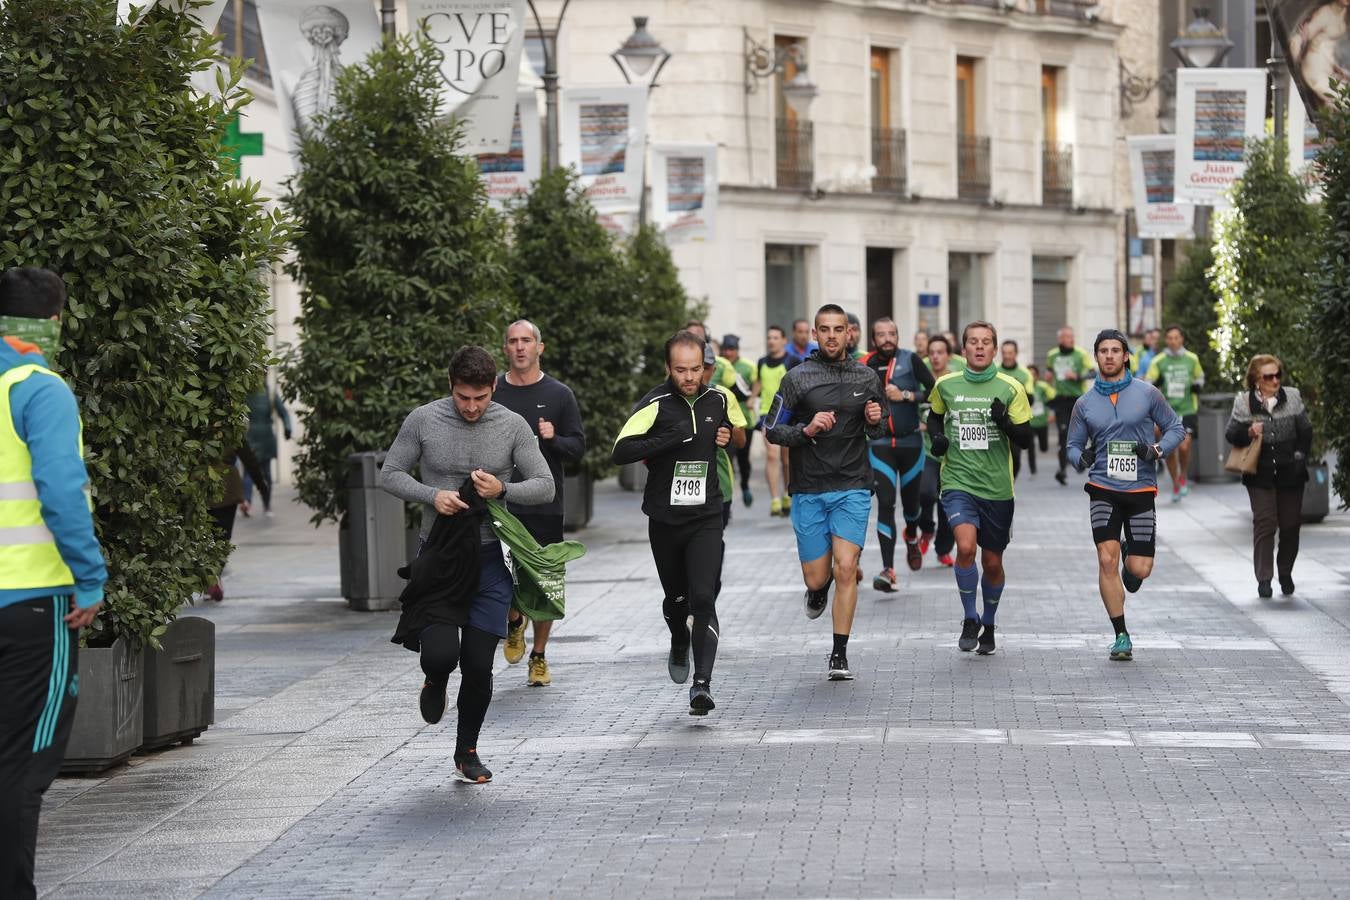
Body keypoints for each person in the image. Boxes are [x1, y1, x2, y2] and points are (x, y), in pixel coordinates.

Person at [382, 346, 555, 785]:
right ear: (450, 387)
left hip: (489, 560)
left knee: (479, 665)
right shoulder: (423, 419)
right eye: (463, 397)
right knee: (440, 654)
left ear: (494, 387)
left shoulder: (512, 425)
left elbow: (545, 486)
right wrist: (432, 495)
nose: (472, 407)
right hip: (439, 558)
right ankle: (435, 680)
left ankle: (467, 751)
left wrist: (502, 489)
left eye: (480, 397)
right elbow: (390, 473)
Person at [0, 267, 107, 900]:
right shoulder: (39, 388)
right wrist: (89, 579)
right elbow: (63, 491)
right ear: (51, 322)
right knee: (22, 765)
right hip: (36, 606)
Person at [612, 331, 732, 715]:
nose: (690, 377)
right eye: (681, 370)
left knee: (703, 597)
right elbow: (620, 450)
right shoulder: (655, 402)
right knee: (677, 600)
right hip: (665, 519)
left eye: (696, 369)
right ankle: (678, 638)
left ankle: (702, 685)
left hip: (706, 515)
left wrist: (729, 437)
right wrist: (666, 439)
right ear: (668, 368)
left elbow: (734, 435)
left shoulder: (717, 399)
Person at [765, 305, 884, 680]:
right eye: (824, 330)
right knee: (818, 577)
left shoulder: (867, 377)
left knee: (846, 567)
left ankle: (839, 654)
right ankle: (818, 590)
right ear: (814, 334)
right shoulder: (796, 378)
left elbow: (878, 431)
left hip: (853, 486)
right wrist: (807, 429)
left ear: (850, 333)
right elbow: (771, 429)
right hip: (810, 488)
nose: (832, 336)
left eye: (839, 329)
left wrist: (875, 422)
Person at [1067, 329, 1186, 662]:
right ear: (1096, 356)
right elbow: (1072, 445)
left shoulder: (1147, 394)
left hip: (1140, 488)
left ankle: (1131, 554)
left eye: (1115, 350)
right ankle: (1120, 634)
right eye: (1103, 350)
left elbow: (1177, 427)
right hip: (1103, 487)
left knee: (1139, 570)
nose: (1109, 356)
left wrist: (1156, 449)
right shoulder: (1084, 403)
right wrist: (1081, 459)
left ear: (1126, 356)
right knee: (1106, 559)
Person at [927, 321, 1033, 656]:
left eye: (986, 342)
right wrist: (939, 438)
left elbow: (1027, 440)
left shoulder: (1010, 387)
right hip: (958, 480)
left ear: (995, 348)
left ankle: (989, 621)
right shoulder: (946, 384)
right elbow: (933, 416)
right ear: (964, 347)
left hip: (998, 487)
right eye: (973, 341)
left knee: (992, 562)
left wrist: (1004, 423)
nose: (979, 347)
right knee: (966, 547)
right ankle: (969, 617)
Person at [493, 320, 585, 687]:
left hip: (547, 502)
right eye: (513, 341)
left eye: (526, 341)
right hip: (502, 503)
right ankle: (515, 621)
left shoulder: (560, 394)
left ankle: (540, 655)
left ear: (539, 348)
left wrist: (554, 438)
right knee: (504, 574)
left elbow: (578, 448)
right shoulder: (493, 392)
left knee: (547, 580)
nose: (520, 347)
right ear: (505, 349)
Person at [1224, 354, 1313, 599]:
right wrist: (1248, 431)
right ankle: (1264, 578)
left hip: (1290, 472)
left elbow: (1305, 431)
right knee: (1264, 523)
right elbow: (1231, 434)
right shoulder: (1244, 403)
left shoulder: (1292, 397)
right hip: (1259, 474)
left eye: (1277, 375)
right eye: (1268, 376)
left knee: (1291, 525)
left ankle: (1285, 572)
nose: (1275, 381)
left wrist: (1299, 454)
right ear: (1256, 380)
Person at [862, 317, 935, 591]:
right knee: (886, 504)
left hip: (910, 444)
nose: (887, 339)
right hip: (880, 445)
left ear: (897, 335)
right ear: (873, 339)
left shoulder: (911, 359)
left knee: (912, 507)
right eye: (880, 334)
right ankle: (888, 569)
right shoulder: (865, 365)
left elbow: (934, 391)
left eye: (891, 333)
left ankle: (913, 536)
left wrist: (905, 395)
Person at [1144, 325, 1205, 503]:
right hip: (1166, 411)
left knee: (1185, 446)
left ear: (1182, 339)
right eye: (1169, 338)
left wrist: (1197, 385)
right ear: (1166, 340)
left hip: (1187, 409)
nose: (1173, 341)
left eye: (1176, 337)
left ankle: (1183, 474)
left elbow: (1200, 376)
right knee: (1170, 450)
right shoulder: (1159, 360)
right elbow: (1148, 383)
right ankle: (1176, 482)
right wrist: (1158, 381)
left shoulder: (1192, 359)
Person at [204, 444, 270, 602]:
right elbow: (248, 458)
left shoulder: (194, 423)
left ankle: (209, 578)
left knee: (204, 535)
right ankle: (214, 576)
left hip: (201, 482)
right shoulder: (231, 425)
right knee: (223, 536)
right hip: (227, 485)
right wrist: (261, 484)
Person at [917, 335, 958, 567]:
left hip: (950, 452)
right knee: (926, 493)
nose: (935, 356)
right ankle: (927, 529)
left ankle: (943, 549)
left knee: (947, 503)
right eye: (931, 352)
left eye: (940, 352)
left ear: (948, 355)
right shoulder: (920, 379)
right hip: (926, 450)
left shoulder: (955, 380)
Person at [756, 325, 797, 516]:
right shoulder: (761, 362)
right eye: (769, 337)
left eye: (775, 337)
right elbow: (758, 384)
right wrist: (750, 399)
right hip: (768, 414)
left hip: (787, 413)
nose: (771, 341)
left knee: (787, 459)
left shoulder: (792, 361)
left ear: (783, 341)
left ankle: (787, 494)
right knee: (772, 455)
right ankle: (774, 500)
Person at [1046, 326, 1095, 485]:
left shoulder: (1080, 354)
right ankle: (1062, 470)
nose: (1070, 339)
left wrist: (1078, 376)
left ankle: (1079, 459)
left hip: (1078, 399)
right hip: (1061, 399)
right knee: (1063, 434)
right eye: (1067, 337)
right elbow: (1049, 372)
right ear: (1060, 339)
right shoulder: (1052, 355)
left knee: (1080, 433)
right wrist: (1048, 376)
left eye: (1072, 337)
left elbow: (1093, 373)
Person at [242, 381, 291, 516]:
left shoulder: (248, 392)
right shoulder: (268, 393)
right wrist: (288, 428)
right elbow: (284, 413)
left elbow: (283, 412)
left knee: (251, 473)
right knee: (265, 474)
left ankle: (249, 502)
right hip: (262, 437)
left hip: (254, 437)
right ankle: (265, 505)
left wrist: (287, 427)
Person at [720, 335, 757, 507]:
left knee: (743, 458)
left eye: (732, 349)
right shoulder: (718, 366)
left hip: (744, 419)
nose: (728, 353)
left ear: (737, 350)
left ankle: (745, 485)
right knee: (728, 457)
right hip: (725, 420)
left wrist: (753, 398)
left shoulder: (748, 366)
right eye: (726, 349)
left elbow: (758, 382)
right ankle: (728, 497)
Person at [999, 340, 1035, 479]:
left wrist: (1019, 390)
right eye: (1004, 353)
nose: (1007, 356)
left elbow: (1031, 399)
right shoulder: (995, 370)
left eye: (1010, 353)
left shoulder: (1025, 374)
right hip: (997, 420)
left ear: (1016, 354)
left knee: (1016, 458)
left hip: (1015, 421)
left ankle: (1010, 483)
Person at [1023, 364, 1054, 476]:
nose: (1031, 378)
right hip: (1029, 423)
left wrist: (1052, 413)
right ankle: (1033, 470)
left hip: (1042, 422)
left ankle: (1043, 448)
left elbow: (1054, 398)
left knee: (1044, 448)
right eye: (1029, 375)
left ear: (1037, 376)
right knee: (1030, 447)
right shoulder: (1023, 387)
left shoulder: (1043, 386)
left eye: (1033, 375)